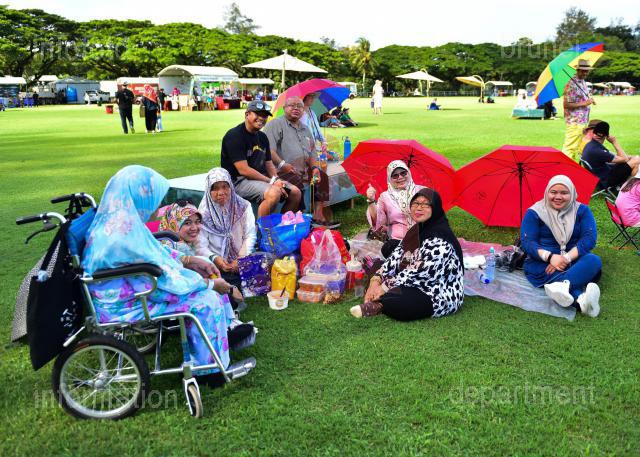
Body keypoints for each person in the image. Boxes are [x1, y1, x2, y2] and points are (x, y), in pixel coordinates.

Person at [82, 165, 252, 385]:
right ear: (140, 198)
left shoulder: (122, 224)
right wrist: (207, 284)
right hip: (127, 301)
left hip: (134, 289)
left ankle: (218, 339)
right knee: (206, 301)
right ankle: (208, 371)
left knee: (208, 288)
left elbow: (157, 251)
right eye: (154, 200)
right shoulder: (122, 238)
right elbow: (161, 280)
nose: (158, 206)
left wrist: (189, 260)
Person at [350, 188, 464, 321]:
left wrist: (383, 287)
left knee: (402, 302)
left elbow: (419, 271)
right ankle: (381, 296)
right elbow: (396, 256)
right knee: (382, 262)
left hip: (437, 290)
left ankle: (379, 305)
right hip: (413, 279)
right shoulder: (416, 229)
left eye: (425, 204)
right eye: (416, 203)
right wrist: (375, 281)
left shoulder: (440, 238)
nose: (419, 208)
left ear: (435, 208)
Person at [520, 175, 602, 317]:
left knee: (593, 260)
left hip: (574, 258)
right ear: (547, 192)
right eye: (553, 192)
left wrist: (565, 258)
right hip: (542, 261)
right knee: (568, 273)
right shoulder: (534, 212)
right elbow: (528, 242)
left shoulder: (582, 211)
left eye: (564, 193)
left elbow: (589, 239)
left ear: (572, 193)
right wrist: (550, 257)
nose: (558, 197)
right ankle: (580, 301)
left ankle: (562, 286)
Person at [263, 96, 336, 227]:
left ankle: (318, 216)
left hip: (303, 170)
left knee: (321, 176)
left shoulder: (305, 129)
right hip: (281, 171)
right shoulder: (275, 124)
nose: (296, 108)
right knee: (296, 180)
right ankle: (299, 219)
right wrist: (282, 164)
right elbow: (269, 150)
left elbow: (312, 152)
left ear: (303, 110)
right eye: (292, 105)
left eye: (299, 106)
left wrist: (314, 168)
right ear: (284, 108)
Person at [220, 100, 301, 219]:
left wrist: (276, 179)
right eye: (258, 114)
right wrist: (271, 182)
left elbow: (269, 164)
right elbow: (244, 170)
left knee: (295, 192)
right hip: (237, 181)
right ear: (247, 114)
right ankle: (263, 229)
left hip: (258, 178)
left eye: (265, 116)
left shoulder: (262, 137)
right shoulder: (234, 136)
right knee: (274, 193)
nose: (261, 118)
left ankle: (282, 224)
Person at [197, 168, 257, 304]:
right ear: (208, 190)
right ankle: (232, 289)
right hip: (217, 266)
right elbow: (200, 246)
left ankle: (235, 286)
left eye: (225, 186)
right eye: (215, 188)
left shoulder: (243, 206)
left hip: (242, 259)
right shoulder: (203, 214)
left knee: (268, 259)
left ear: (231, 187)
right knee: (214, 278)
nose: (221, 192)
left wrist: (240, 259)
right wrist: (216, 259)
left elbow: (250, 235)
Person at [366, 161, 426, 258]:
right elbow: (377, 220)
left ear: (409, 173)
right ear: (389, 179)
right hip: (398, 241)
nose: (400, 177)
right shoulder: (385, 197)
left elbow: (434, 217)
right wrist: (371, 200)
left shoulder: (423, 191)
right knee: (390, 251)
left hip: (422, 237)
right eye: (395, 175)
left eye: (403, 173)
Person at [581, 121, 640, 189]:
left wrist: (632, 157)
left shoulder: (591, 145)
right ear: (606, 136)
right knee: (636, 160)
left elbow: (619, 157)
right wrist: (614, 142)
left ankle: (631, 186)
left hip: (601, 176)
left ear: (594, 133)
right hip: (606, 181)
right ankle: (630, 189)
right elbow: (625, 159)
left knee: (635, 158)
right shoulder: (597, 151)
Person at [562, 59, 596, 161]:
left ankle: (572, 167)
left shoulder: (582, 82)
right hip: (575, 122)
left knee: (579, 147)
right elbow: (566, 104)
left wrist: (589, 100)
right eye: (583, 71)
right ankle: (565, 167)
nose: (585, 73)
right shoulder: (571, 84)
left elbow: (581, 98)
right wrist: (585, 103)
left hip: (582, 121)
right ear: (577, 70)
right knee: (569, 148)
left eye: (587, 71)